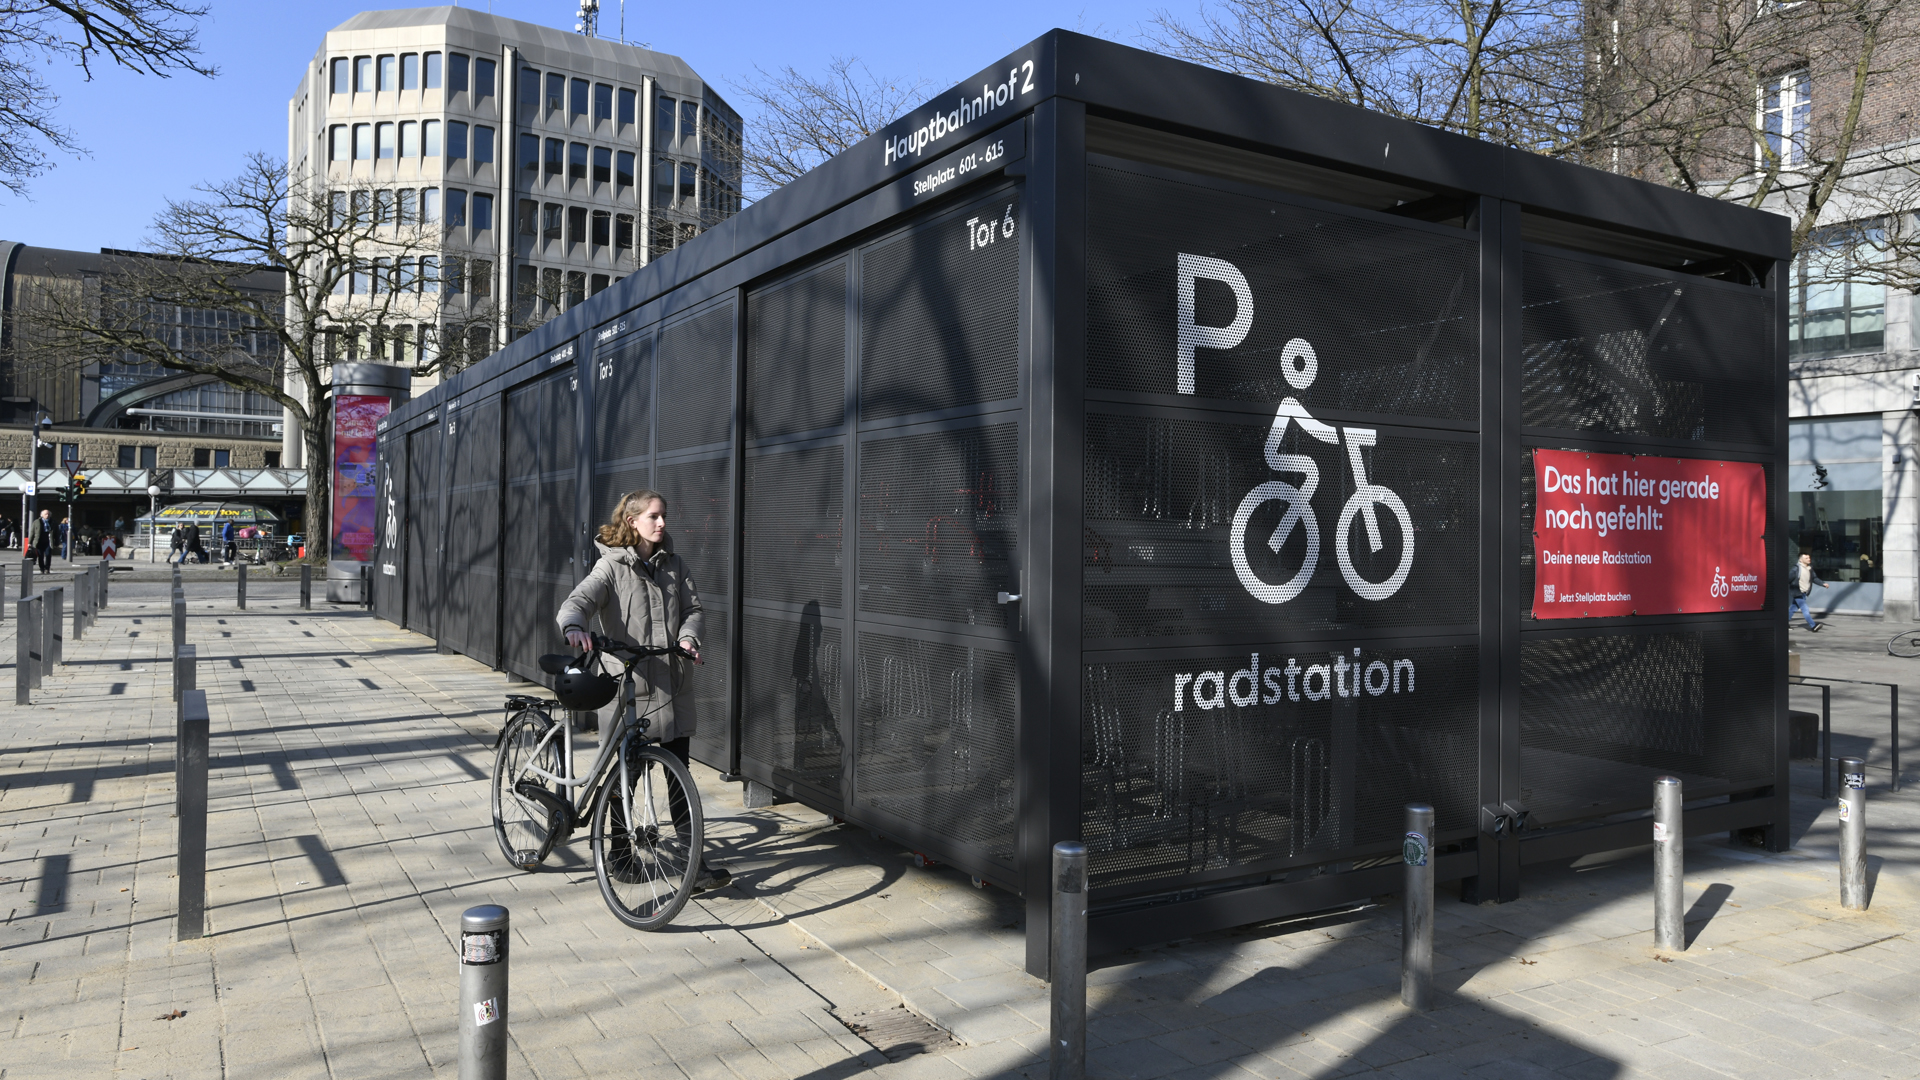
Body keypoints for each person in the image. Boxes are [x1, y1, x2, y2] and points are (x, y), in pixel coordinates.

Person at [555, 489, 728, 893]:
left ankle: (693, 864)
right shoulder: (610, 567)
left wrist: (688, 638)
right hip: (630, 688)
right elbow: (578, 601)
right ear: (632, 521)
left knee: (679, 777)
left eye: (664, 515)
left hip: (674, 686)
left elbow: (694, 611)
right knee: (624, 779)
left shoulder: (676, 564)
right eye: (654, 515)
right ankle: (619, 853)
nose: (662, 522)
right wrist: (575, 626)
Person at [1787, 551, 1829, 631]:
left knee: (1793, 608)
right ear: (1801, 560)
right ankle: (1813, 626)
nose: (1809, 559)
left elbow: (1814, 578)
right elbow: (1788, 579)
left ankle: (1784, 623)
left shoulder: (1810, 569)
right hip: (1797, 592)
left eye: (1809, 557)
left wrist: (1823, 584)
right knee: (1805, 609)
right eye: (1806, 558)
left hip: (1804, 593)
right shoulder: (1796, 569)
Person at [30, 508, 54, 572]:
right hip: (39, 541)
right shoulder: (37, 522)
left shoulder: (52, 522)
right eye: (46, 514)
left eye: (48, 514)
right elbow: (32, 532)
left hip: (48, 541)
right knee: (40, 556)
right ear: (42, 515)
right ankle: (42, 568)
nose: (47, 515)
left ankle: (47, 568)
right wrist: (30, 542)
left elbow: (56, 532)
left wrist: (56, 542)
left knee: (48, 554)